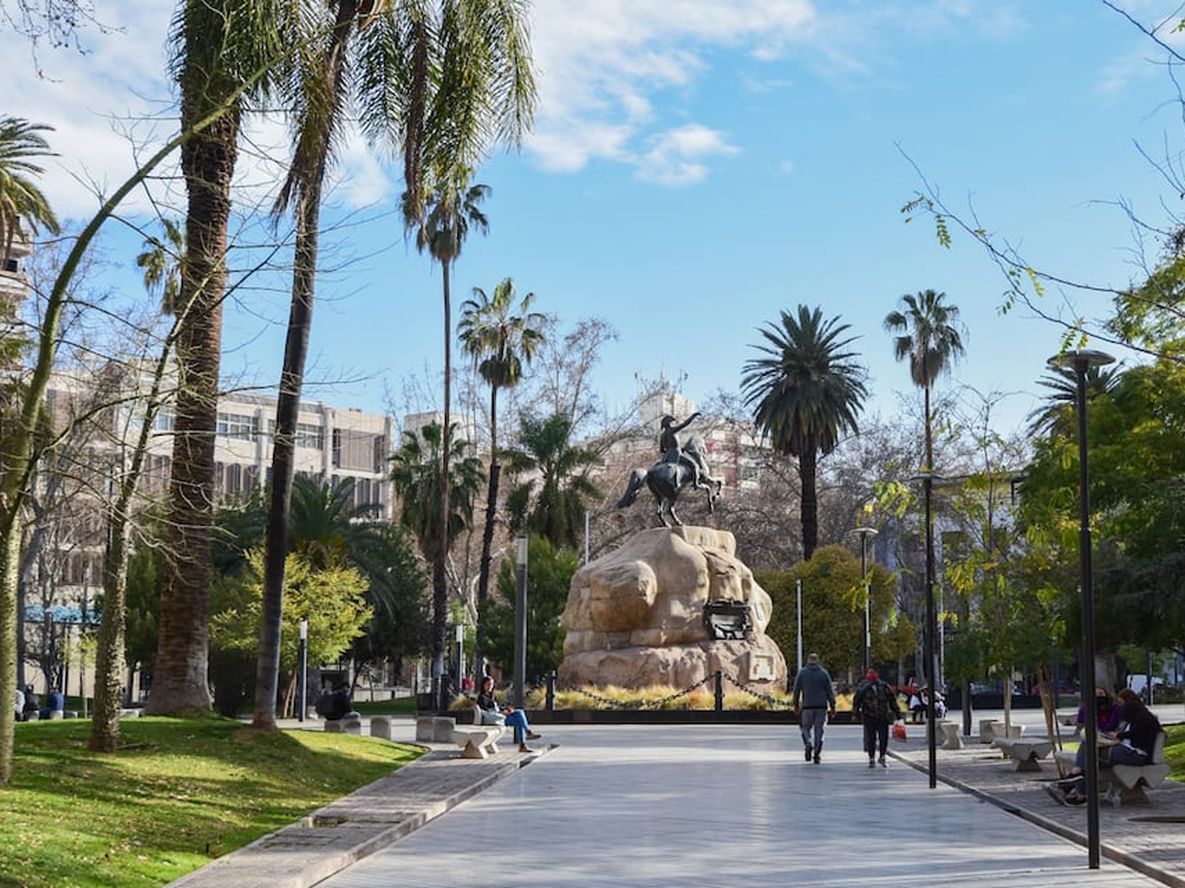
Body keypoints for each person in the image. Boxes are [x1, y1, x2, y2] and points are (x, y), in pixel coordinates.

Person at [1053, 689, 1163, 805]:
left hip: (1136, 754)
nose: (1121, 706)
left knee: (1089, 754)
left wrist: (1118, 735)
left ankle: (1071, 788)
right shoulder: (1134, 715)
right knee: (1088, 751)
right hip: (1127, 750)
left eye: (1122, 702)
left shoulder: (1142, 716)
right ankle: (1075, 790)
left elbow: (1137, 734)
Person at [791, 652, 836, 764]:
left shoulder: (802, 673)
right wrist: (833, 706)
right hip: (821, 707)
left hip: (807, 706)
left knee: (805, 728)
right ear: (818, 661)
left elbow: (796, 691)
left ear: (808, 661)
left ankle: (808, 743)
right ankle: (817, 754)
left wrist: (796, 705)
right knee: (819, 730)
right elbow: (830, 691)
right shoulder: (824, 673)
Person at [476, 676, 540, 753]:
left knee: (519, 712)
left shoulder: (491, 696)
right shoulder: (482, 697)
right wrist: (503, 713)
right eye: (488, 684)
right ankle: (525, 738)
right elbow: (487, 712)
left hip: (499, 716)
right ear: (483, 685)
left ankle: (525, 738)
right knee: (519, 720)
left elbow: (496, 708)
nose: (490, 686)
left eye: (492, 684)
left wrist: (506, 710)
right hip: (495, 720)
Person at [853, 667, 901, 769]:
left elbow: (892, 700)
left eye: (873, 672)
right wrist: (855, 713)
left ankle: (882, 756)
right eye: (870, 672)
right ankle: (871, 758)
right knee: (871, 738)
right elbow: (857, 701)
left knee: (884, 738)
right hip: (869, 716)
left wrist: (897, 713)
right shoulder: (863, 686)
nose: (872, 674)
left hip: (882, 716)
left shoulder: (883, 686)